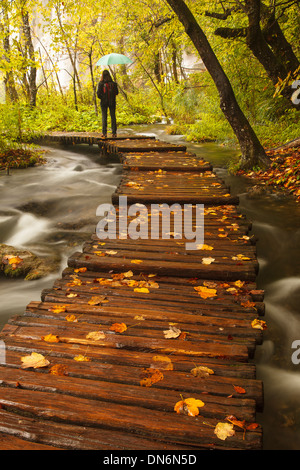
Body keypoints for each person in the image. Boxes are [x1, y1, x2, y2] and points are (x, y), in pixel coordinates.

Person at [96, 70, 119, 139]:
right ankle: (114, 133)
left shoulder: (101, 83)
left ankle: (104, 133)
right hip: (112, 102)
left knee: (104, 117)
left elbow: (98, 94)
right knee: (113, 117)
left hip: (104, 103)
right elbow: (117, 93)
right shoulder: (114, 83)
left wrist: (103, 97)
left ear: (102, 75)